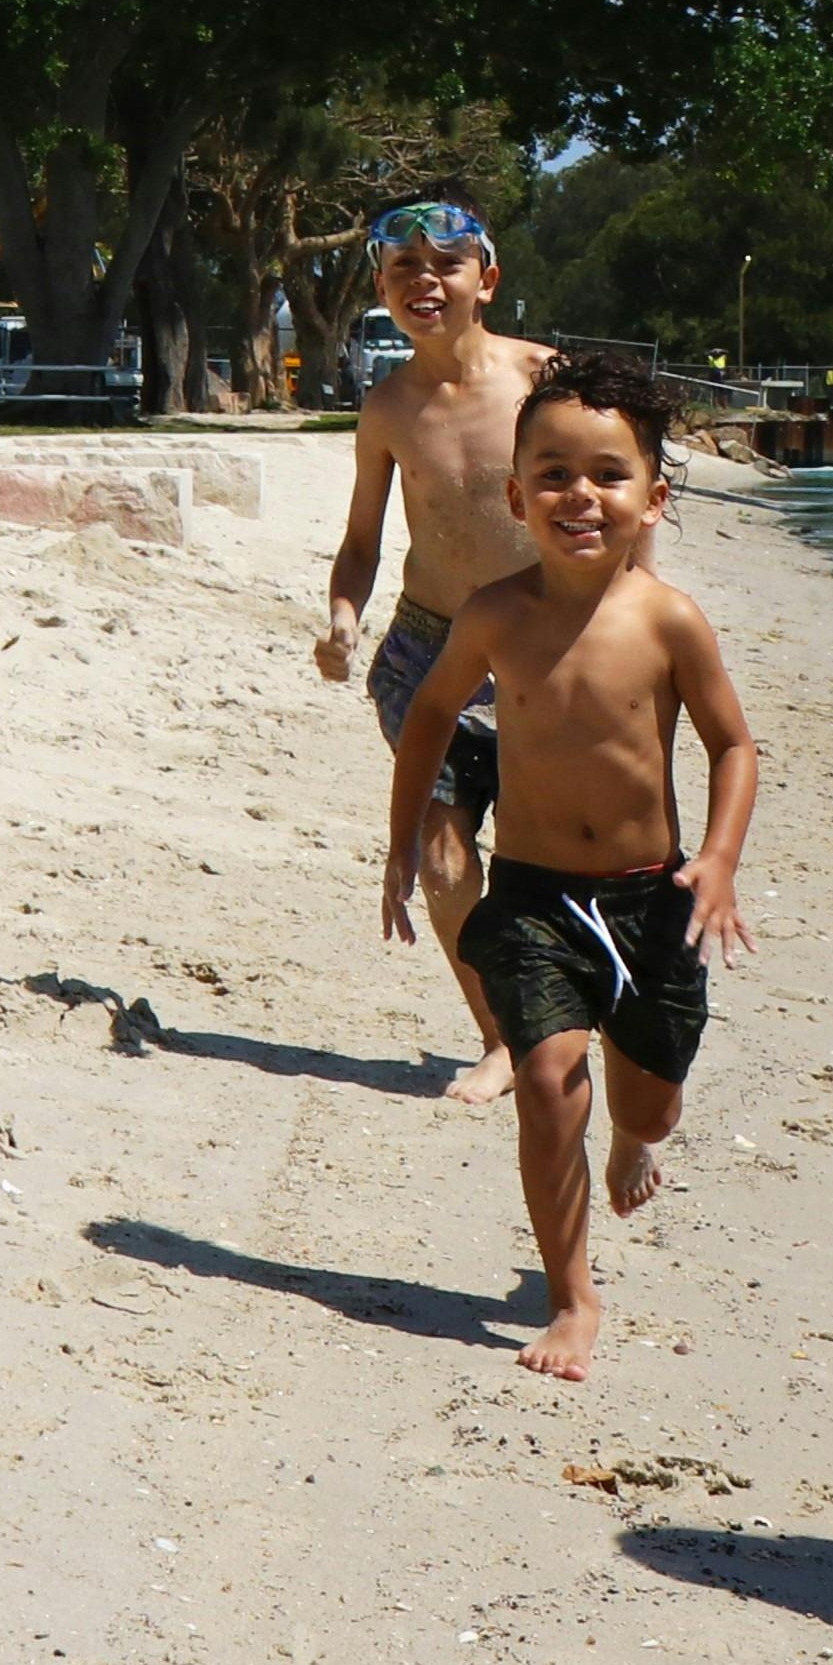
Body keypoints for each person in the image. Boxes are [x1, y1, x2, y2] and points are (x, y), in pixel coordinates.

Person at [377, 358, 755, 1383]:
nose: (578, 495)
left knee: (650, 1103)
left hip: (650, 898)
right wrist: (402, 841)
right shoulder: (494, 614)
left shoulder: (668, 620)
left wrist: (718, 860)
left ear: (652, 498)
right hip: (533, 897)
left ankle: (634, 1139)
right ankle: (572, 1295)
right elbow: (429, 714)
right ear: (515, 496)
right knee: (547, 1079)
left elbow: (732, 745)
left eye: (606, 474)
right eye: (551, 475)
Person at [315, 201, 551, 1099]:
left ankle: (558, 1016)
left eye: (445, 264)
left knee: (539, 856)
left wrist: (633, 613)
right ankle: (499, 1039)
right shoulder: (387, 407)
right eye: (402, 269)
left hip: (542, 651)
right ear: (381, 289)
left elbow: (618, 495)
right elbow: (362, 543)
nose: (424, 281)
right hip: (427, 651)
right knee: (446, 861)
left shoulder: (543, 379)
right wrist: (344, 618)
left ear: (485, 280)